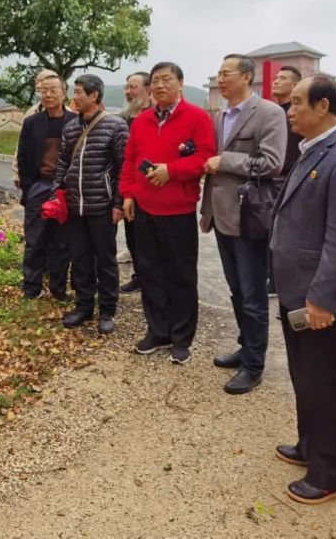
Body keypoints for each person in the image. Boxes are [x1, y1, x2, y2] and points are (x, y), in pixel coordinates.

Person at [270, 74, 336, 505]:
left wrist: (322, 299)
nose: (289, 111)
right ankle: (309, 445)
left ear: (323, 106)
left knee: (325, 384)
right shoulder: (313, 150)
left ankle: (330, 473)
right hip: (297, 290)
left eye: (296, 103)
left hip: (319, 298)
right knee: (304, 377)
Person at [200, 54, 287, 394]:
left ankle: (254, 364)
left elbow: (272, 162)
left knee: (253, 295)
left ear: (247, 77)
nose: (220, 79)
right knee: (236, 290)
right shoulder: (221, 114)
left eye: (226, 73)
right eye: (218, 73)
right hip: (222, 214)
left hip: (249, 216)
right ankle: (245, 344)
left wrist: (226, 160)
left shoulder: (269, 113)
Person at [120, 62, 216, 365]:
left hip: (179, 210)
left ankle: (181, 337)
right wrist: (127, 194)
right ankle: (158, 331)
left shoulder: (197, 118)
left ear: (180, 83)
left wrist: (171, 171)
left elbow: (204, 157)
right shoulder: (142, 120)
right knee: (150, 272)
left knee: (181, 275)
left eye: (166, 80)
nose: (160, 86)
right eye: (155, 81)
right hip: (145, 207)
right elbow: (131, 158)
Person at [54, 75, 129, 335]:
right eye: (74, 92)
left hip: (103, 206)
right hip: (75, 207)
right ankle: (83, 306)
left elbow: (123, 167)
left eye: (78, 93)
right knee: (81, 259)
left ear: (94, 95)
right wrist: (57, 191)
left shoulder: (116, 125)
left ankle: (107, 310)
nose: (74, 97)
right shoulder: (71, 128)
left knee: (105, 261)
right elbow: (63, 162)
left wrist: (118, 203)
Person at [16, 76, 72, 301]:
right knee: (34, 240)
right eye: (44, 91)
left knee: (62, 241)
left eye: (53, 90)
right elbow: (23, 156)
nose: (48, 95)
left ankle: (58, 289)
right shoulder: (32, 122)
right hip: (39, 185)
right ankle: (31, 288)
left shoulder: (75, 121)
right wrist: (29, 188)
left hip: (65, 189)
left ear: (64, 93)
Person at [119, 72, 152, 295]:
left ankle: (152, 277)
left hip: (151, 186)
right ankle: (139, 275)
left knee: (149, 237)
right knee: (131, 234)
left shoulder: (154, 116)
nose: (128, 92)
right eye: (127, 87)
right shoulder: (124, 118)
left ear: (148, 89)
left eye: (133, 87)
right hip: (129, 186)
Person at [12, 69, 62, 190]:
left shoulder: (72, 118)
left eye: (43, 81)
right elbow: (21, 147)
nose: (39, 85)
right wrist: (17, 173)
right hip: (36, 181)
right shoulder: (31, 115)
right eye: (38, 82)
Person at [271, 65, 304, 177]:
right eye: (276, 78)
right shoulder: (270, 112)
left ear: (294, 86)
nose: (276, 82)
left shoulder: (300, 112)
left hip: (293, 175)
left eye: (283, 78)